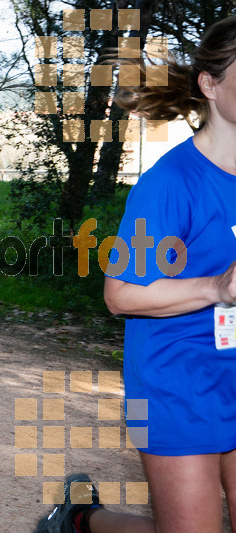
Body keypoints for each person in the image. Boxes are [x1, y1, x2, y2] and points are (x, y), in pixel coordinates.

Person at [35, 15, 236, 533]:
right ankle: (82, 521)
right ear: (210, 85)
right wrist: (218, 288)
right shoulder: (169, 184)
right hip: (179, 383)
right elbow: (120, 294)